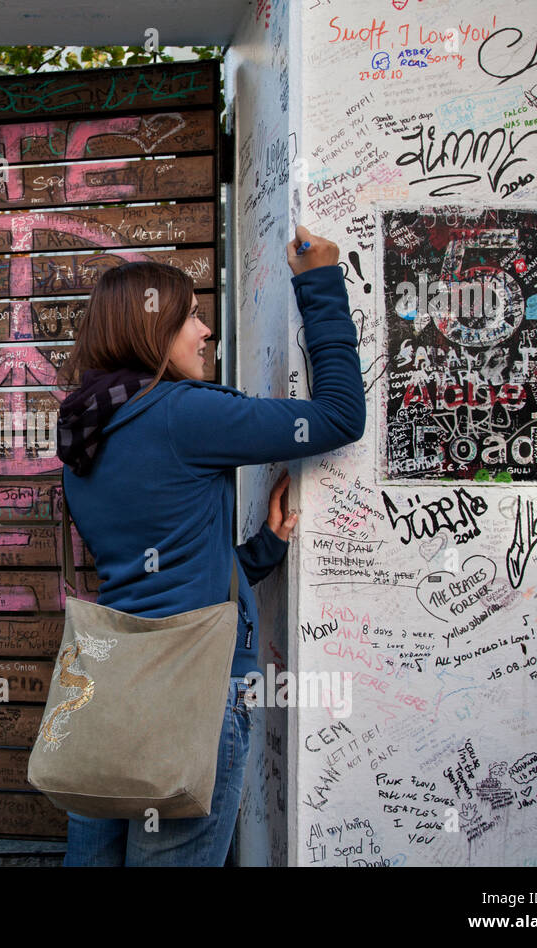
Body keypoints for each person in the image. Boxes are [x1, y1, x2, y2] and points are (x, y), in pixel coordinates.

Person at [53, 224, 366, 866]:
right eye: (191, 317)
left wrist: (260, 551)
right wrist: (319, 281)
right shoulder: (183, 414)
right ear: (150, 333)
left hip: (107, 688)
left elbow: (158, 567)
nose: (206, 332)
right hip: (193, 690)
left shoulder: (86, 430)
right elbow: (339, 417)